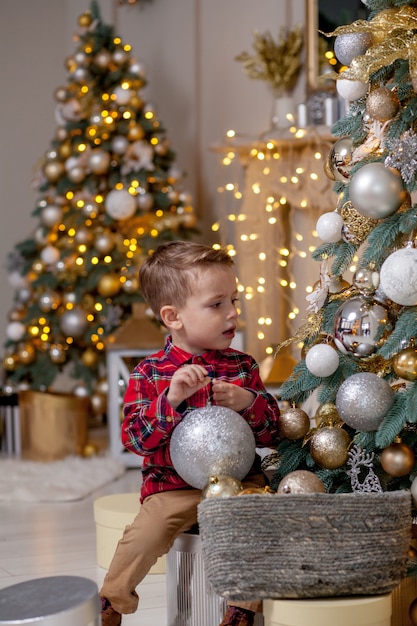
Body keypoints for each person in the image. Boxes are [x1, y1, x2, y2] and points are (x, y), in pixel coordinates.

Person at [100, 240, 281, 626]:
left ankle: (240, 610)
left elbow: (273, 433)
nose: (233, 313)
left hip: (238, 484)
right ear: (173, 316)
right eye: (217, 305)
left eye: (234, 300)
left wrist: (248, 401)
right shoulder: (149, 373)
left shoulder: (242, 366)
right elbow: (134, 439)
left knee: (256, 520)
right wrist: (171, 400)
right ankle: (112, 601)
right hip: (173, 488)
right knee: (144, 532)